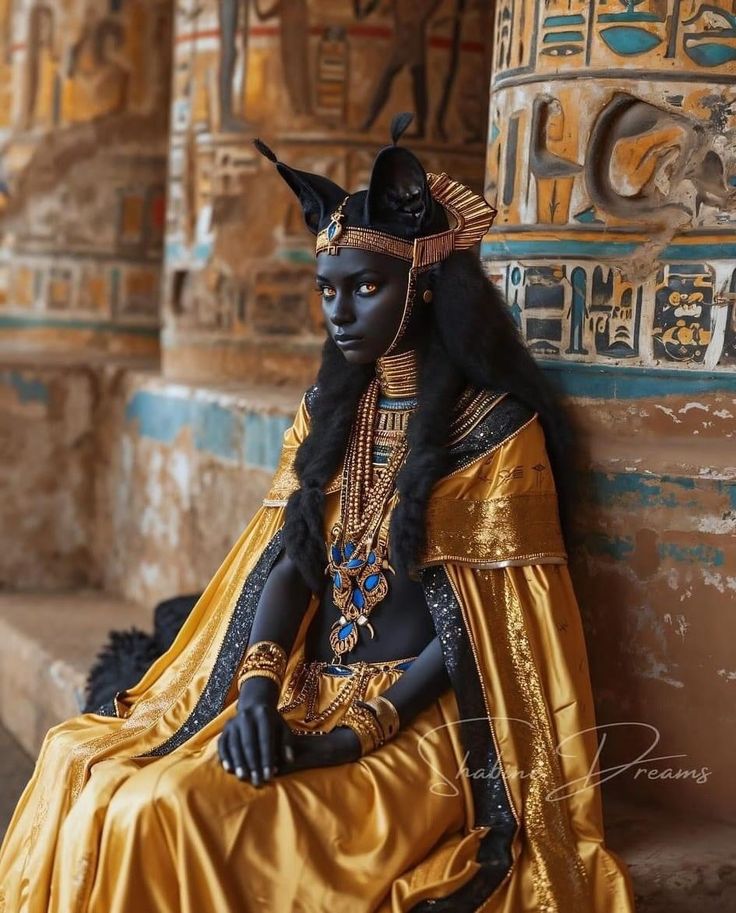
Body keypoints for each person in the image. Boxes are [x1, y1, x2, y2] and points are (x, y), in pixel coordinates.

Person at [0, 113, 637, 912]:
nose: (339, 311)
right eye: (326, 289)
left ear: (426, 280)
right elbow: (293, 560)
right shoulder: (332, 411)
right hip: (306, 683)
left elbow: (481, 629)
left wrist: (350, 736)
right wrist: (259, 692)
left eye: (366, 288)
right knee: (81, 760)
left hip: (420, 728)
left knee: (164, 810)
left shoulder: (496, 430)